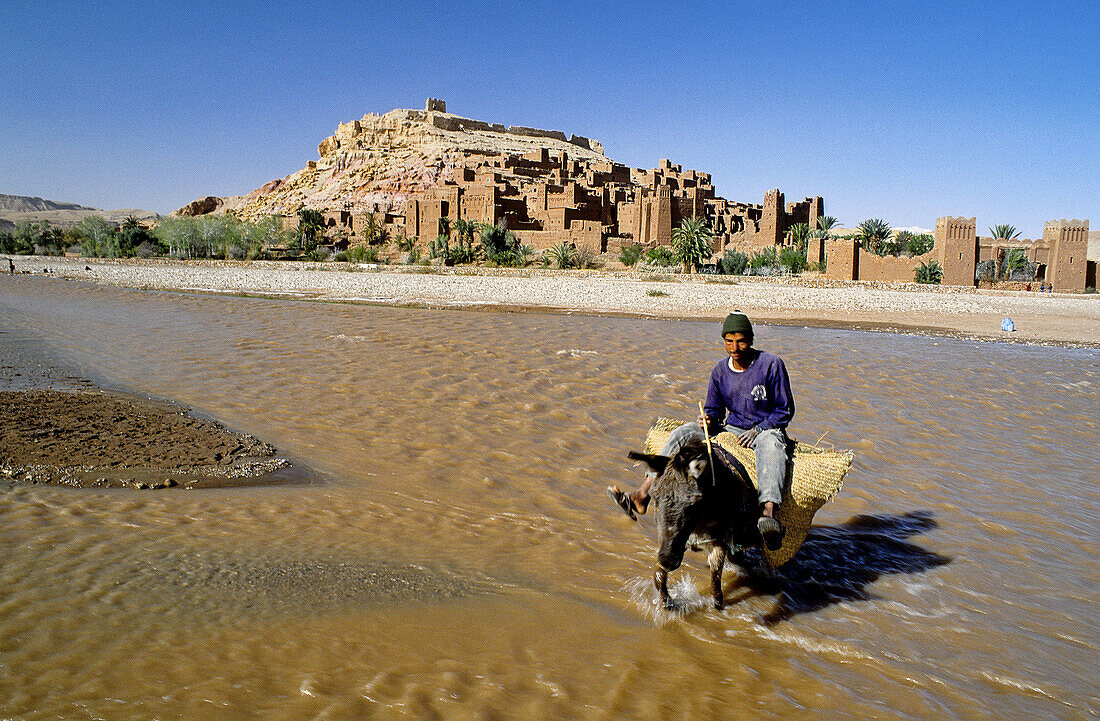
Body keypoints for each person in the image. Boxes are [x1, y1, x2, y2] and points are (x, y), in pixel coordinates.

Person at [608, 312, 795, 549]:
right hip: (731, 428)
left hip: (766, 430)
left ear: (751, 339)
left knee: (772, 445)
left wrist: (759, 430)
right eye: (729, 341)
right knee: (683, 431)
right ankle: (643, 493)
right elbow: (715, 410)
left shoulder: (771, 364)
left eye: (740, 341)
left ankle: (767, 514)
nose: (735, 348)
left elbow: (785, 410)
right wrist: (708, 420)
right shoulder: (719, 371)